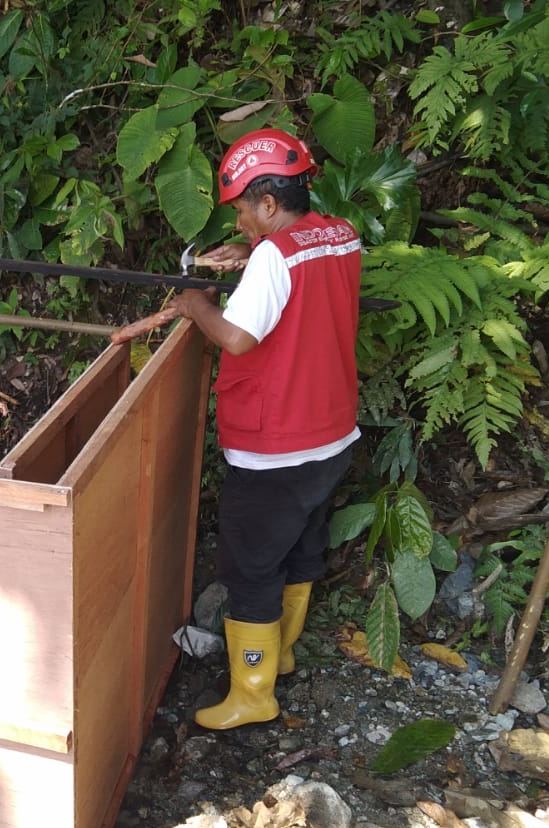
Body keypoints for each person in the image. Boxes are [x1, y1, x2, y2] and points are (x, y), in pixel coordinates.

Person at [167, 127, 362, 731]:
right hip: (331, 435)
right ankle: (281, 655)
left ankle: (253, 694)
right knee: (301, 549)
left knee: (252, 568)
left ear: (270, 203)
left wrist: (194, 304)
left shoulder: (276, 255)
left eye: (243, 211)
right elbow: (300, 274)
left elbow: (237, 336)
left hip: (276, 446)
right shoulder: (340, 234)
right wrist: (254, 253)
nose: (240, 223)